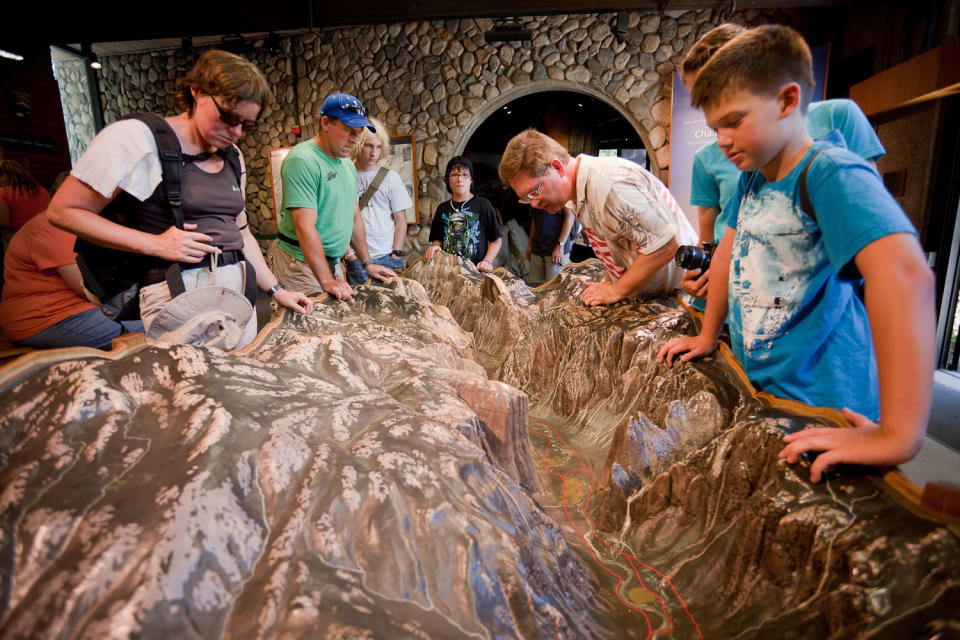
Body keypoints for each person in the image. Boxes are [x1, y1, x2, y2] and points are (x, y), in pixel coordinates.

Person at [656, 25, 935, 482]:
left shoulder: (829, 171)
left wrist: (899, 434)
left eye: (734, 121)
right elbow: (726, 254)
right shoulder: (752, 177)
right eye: (714, 128)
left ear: (786, 101)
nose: (722, 141)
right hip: (769, 385)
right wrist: (709, 335)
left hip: (823, 394)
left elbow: (907, 277)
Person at [48, 49, 311, 349]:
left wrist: (276, 290)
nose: (236, 132)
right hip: (179, 293)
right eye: (227, 117)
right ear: (197, 92)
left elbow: (241, 232)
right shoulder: (136, 137)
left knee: (242, 388)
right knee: (196, 391)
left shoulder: (233, 156)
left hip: (239, 292)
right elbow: (63, 210)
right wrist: (155, 243)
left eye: (247, 126)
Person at [680, 23, 886, 307]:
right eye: (702, 103)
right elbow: (715, 245)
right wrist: (701, 274)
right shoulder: (730, 168)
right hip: (737, 310)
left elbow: (876, 240)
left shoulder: (837, 127)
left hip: (813, 312)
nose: (723, 138)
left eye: (718, 95)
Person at [498, 129, 697, 305]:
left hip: (683, 294)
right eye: (526, 198)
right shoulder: (575, 194)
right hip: (650, 293)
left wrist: (615, 291)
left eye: (535, 191)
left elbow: (665, 246)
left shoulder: (609, 184)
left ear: (557, 168)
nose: (534, 203)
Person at [269, 93, 396, 301]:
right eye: (348, 131)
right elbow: (304, 227)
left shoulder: (346, 164)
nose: (354, 140)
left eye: (358, 133)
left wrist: (367, 263)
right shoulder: (303, 160)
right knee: (307, 328)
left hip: (332, 263)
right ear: (326, 123)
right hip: (299, 263)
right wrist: (327, 281)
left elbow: (354, 217)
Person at [1, 211, 143, 349]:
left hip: (84, 307)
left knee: (154, 318)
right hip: (50, 316)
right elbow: (89, 288)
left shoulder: (89, 220)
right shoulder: (56, 225)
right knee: (154, 328)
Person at [340, 116, 412, 285]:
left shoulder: (391, 178)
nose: (374, 153)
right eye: (369, 146)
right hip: (357, 259)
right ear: (358, 144)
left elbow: (401, 219)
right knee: (359, 308)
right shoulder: (344, 175)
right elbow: (339, 219)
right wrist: (350, 255)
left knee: (392, 308)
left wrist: (396, 252)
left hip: (387, 256)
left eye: (378, 147)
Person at [425, 156, 502, 273]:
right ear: (447, 180)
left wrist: (487, 261)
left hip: (477, 272)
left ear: (471, 180)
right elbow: (437, 238)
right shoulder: (442, 208)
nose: (459, 179)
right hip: (448, 272)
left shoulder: (483, 204)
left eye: (465, 175)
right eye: (454, 175)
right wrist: (436, 246)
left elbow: (496, 239)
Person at [525, 205, 575, 285]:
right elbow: (535, 218)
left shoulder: (560, 192)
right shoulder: (536, 194)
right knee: (539, 288)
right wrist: (530, 243)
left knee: (555, 289)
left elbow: (571, 216)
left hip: (555, 249)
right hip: (538, 247)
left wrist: (560, 245)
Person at [0, 159, 50, 234]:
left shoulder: (3, 192)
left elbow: (4, 222)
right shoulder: (42, 190)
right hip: (46, 233)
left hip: (18, 236)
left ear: (9, 176)